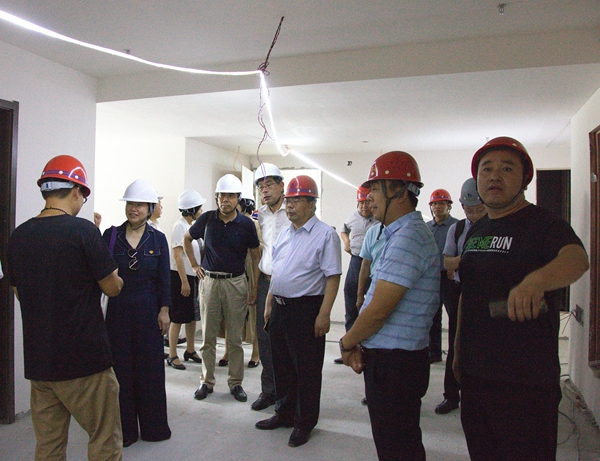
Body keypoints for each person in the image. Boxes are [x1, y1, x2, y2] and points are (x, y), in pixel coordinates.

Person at [454, 136, 589, 461]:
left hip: (525, 380)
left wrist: (537, 281)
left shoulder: (544, 224)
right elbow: (467, 294)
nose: (494, 176)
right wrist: (458, 352)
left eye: (506, 168)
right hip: (475, 375)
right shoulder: (477, 230)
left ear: (525, 178)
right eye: (486, 169)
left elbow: (577, 259)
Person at [7, 155, 124, 460]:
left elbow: (20, 293)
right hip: (85, 362)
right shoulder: (83, 231)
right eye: (83, 195)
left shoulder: (18, 236)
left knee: (49, 445)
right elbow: (112, 287)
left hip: (40, 364)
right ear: (76, 191)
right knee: (104, 439)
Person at [340, 151, 440, 461]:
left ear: (398, 190)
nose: (368, 196)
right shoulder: (396, 234)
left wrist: (347, 341)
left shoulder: (408, 238)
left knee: (398, 446)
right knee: (396, 443)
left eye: (374, 188)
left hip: (396, 364)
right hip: (392, 359)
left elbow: (379, 310)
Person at [255, 175, 342, 448]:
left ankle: (305, 422)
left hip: (306, 310)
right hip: (280, 307)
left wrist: (324, 314)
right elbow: (278, 271)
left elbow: (332, 277)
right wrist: (269, 302)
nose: (290, 206)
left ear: (312, 203)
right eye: (289, 201)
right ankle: (284, 413)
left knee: (306, 370)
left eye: (297, 201)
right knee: (282, 365)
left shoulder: (325, 235)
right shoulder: (285, 233)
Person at [103, 179, 172, 447]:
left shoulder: (158, 239)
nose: (134, 209)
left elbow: (164, 278)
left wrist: (164, 310)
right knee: (121, 369)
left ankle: (154, 428)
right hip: (118, 308)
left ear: (150, 209)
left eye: (140, 205)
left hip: (148, 308)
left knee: (150, 369)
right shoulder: (110, 236)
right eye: (130, 204)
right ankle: (126, 431)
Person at [184, 174, 260, 403]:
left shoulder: (246, 224)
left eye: (230, 196)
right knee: (208, 336)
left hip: (236, 283)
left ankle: (235, 382)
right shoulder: (207, 219)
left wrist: (254, 286)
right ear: (216, 197)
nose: (225, 200)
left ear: (237, 199)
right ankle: (206, 381)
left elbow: (255, 255)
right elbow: (187, 238)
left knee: (235, 338)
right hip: (209, 282)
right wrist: (194, 265)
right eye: (221, 196)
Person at [434, 178, 487, 415]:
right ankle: (451, 395)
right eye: (469, 209)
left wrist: (462, 261)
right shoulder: (456, 229)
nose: (474, 214)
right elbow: (447, 262)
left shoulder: (495, 227)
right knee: (456, 343)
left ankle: (481, 396)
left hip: (488, 294)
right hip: (460, 291)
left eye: (479, 209)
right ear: (462, 207)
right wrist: (471, 259)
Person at [251, 163, 291, 412]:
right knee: (265, 339)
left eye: (268, 185)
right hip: (266, 282)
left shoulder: (294, 210)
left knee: (286, 341)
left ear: (281, 186)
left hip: (288, 286)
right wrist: (254, 286)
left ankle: (288, 395)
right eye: (260, 187)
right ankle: (269, 391)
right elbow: (259, 251)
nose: (264, 190)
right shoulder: (260, 216)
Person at [334, 186, 378, 364]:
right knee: (351, 300)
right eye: (361, 203)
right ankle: (350, 347)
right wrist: (346, 242)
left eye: (367, 202)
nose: (364, 207)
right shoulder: (353, 217)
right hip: (357, 261)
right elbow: (343, 230)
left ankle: (371, 348)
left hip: (374, 264)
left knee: (372, 303)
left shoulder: (379, 219)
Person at [217, 195, 262, 368]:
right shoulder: (229, 223)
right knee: (229, 315)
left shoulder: (253, 224)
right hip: (232, 271)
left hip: (250, 271)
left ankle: (256, 353)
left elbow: (259, 248)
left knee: (253, 315)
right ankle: (228, 351)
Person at [166, 190, 206, 370]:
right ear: (192, 210)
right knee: (178, 317)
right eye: (199, 208)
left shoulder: (193, 226)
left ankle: (190, 349)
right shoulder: (179, 226)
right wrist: (184, 282)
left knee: (191, 316)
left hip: (193, 277)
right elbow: (178, 256)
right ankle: (172, 354)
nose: (201, 211)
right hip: (181, 277)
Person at [426, 188, 458, 363]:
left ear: (448, 206)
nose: (437, 207)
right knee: (432, 316)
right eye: (434, 204)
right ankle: (434, 352)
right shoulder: (427, 228)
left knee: (454, 315)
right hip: (431, 277)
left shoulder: (456, 226)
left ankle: (455, 352)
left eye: (441, 203)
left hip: (449, 278)